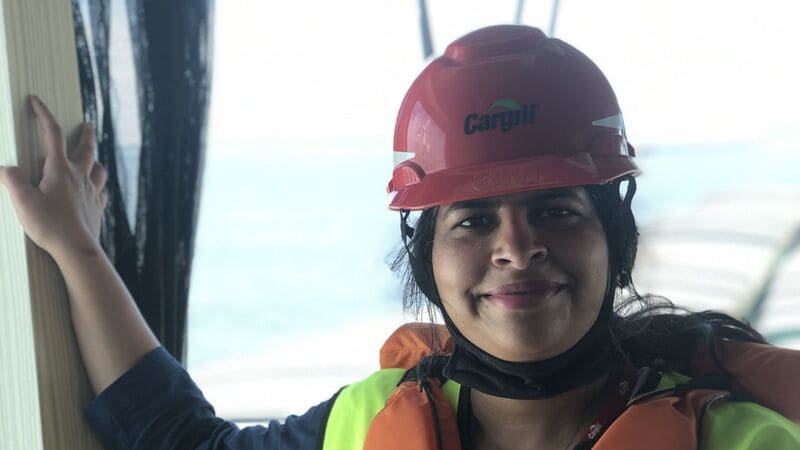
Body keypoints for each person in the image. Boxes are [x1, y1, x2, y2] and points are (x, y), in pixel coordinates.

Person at [1, 25, 798, 450]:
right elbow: (180, 442)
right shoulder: (365, 422)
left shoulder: (738, 441)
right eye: (473, 219)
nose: (515, 246)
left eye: (556, 209)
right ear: (426, 257)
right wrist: (77, 249)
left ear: (615, 238)